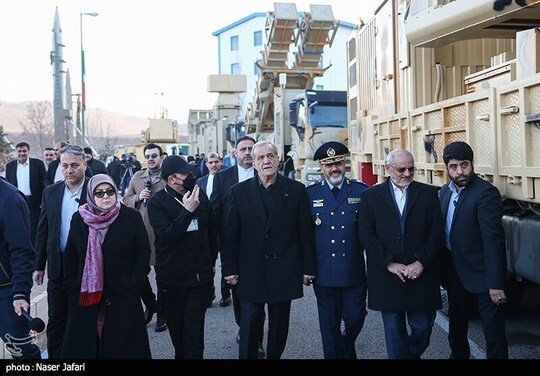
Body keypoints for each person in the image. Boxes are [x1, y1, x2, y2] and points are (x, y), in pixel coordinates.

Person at [221, 140, 316, 360]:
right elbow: (230, 236)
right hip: (250, 271)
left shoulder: (296, 190)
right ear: (253, 163)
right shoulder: (238, 192)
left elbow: (305, 233)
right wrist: (229, 269)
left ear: (278, 159)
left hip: (284, 270)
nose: (266, 161)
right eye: (261, 157)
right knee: (250, 324)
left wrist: (308, 268)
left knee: (279, 325)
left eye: (271, 156)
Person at [357, 148, 444, 359]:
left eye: (411, 169)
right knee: (394, 333)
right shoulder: (370, 196)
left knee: (423, 327)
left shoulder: (429, 194)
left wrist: (421, 262)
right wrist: (389, 263)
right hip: (387, 276)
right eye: (401, 169)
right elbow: (366, 235)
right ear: (388, 169)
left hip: (421, 275)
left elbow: (437, 233)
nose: (407, 174)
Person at [61, 174, 151, 359]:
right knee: (89, 346)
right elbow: (70, 257)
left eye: (110, 191)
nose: (106, 196)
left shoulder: (131, 217)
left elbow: (142, 253)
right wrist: (72, 286)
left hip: (122, 294)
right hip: (87, 297)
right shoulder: (80, 219)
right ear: (91, 195)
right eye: (99, 193)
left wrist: (134, 283)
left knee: (123, 348)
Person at [440, 141, 508, 359]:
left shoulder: (486, 193)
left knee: (493, 331)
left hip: (482, 275)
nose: (460, 171)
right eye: (453, 166)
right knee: (457, 325)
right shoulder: (444, 192)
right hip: (455, 273)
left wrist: (496, 284)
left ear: (472, 163)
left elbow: (493, 241)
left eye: (464, 165)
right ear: (447, 168)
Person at [147, 155, 218, 359]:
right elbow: (168, 237)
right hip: (172, 280)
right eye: (185, 174)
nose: (191, 176)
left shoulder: (199, 195)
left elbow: (212, 231)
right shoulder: (157, 203)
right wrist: (187, 211)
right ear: (171, 179)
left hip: (199, 279)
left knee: (194, 334)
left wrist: (211, 262)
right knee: (178, 332)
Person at [306, 141, 369, 359]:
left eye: (338, 163)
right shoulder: (310, 195)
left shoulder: (362, 191)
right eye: (328, 164)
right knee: (329, 325)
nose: (334, 168)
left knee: (356, 318)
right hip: (324, 272)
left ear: (345, 164)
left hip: (354, 271)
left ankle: (343, 346)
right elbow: (304, 237)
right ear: (321, 168)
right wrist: (305, 268)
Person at [210, 135, 265, 356]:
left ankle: (256, 338)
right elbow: (215, 212)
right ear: (235, 153)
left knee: (259, 294)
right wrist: (213, 248)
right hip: (231, 246)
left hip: (260, 246)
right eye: (243, 149)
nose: (247, 152)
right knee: (238, 292)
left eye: (251, 148)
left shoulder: (265, 174)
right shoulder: (223, 178)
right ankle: (244, 327)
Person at [34, 144, 89, 359]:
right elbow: (43, 230)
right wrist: (39, 265)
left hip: (86, 265)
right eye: (64, 166)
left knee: (83, 318)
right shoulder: (51, 192)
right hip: (58, 264)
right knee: (56, 319)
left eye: (74, 165)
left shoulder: (95, 190)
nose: (69, 170)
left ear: (84, 163)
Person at [123, 143, 167, 332]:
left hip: (162, 234)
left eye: (154, 156)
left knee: (163, 276)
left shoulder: (168, 176)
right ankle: (151, 304)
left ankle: (163, 313)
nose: (150, 159)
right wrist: (138, 197)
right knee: (138, 274)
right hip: (140, 233)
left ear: (161, 157)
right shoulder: (137, 177)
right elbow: (125, 200)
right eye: (147, 156)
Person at [0, 177, 42, 359]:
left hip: (7, 292)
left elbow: (22, 250)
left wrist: (20, 292)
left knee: (22, 352)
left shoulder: (10, 198)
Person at [6, 142, 46, 245]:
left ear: (29, 151)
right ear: (16, 152)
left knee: (34, 228)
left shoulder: (38, 164)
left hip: (34, 201)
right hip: (17, 201)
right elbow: (8, 185)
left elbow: (44, 182)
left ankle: (35, 251)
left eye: (24, 151)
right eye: (19, 151)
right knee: (19, 225)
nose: (22, 153)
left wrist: (43, 200)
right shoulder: (10, 166)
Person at [196, 152, 223, 308]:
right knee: (208, 261)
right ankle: (210, 292)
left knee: (226, 260)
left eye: (216, 161)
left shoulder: (226, 179)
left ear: (220, 162)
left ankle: (225, 293)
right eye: (210, 162)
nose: (214, 165)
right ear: (206, 164)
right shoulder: (200, 182)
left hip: (223, 225)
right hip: (206, 227)